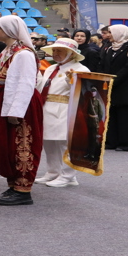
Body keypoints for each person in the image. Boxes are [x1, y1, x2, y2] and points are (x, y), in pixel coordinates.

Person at [0, 15, 44, 206]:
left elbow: (25, 84)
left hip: (21, 104)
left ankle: (23, 189)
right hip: (5, 101)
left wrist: (15, 111)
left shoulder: (23, 54)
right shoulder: (8, 51)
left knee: (23, 143)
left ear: (10, 30)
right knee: (7, 144)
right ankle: (13, 185)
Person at [34, 38, 89, 188]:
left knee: (65, 144)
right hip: (47, 107)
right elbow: (41, 86)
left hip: (66, 109)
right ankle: (53, 172)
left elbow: (84, 91)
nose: (55, 53)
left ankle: (68, 176)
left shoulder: (81, 69)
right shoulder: (52, 68)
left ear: (71, 54)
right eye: (54, 50)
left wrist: (71, 80)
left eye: (60, 51)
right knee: (49, 142)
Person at [100, 25, 128, 151]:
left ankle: (127, 143)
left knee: (126, 116)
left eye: (111, 32)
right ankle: (111, 141)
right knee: (111, 115)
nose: (109, 35)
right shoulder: (109, 48)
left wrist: (114, 80)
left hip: (126, 87)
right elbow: (104, 65)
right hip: (110, 86)